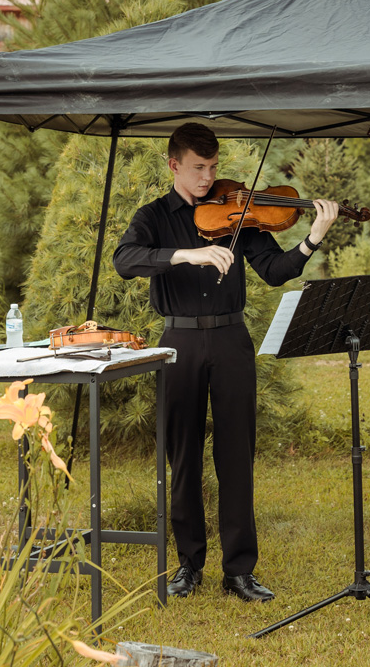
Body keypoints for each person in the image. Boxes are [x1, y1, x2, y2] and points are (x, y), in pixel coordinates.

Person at [113, 123, 342, 603]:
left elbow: (275, 271)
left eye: (213, 167)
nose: (208, 178)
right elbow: (126, 259)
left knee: (236, 456)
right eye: (198, 168)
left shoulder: (237, 212)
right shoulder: (153, 216)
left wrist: (313, 238)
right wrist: (186, 255)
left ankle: (239, 571)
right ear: (174, 165)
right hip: (178, 341)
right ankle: (188, 565)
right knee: (184, 457)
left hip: (232, 338)